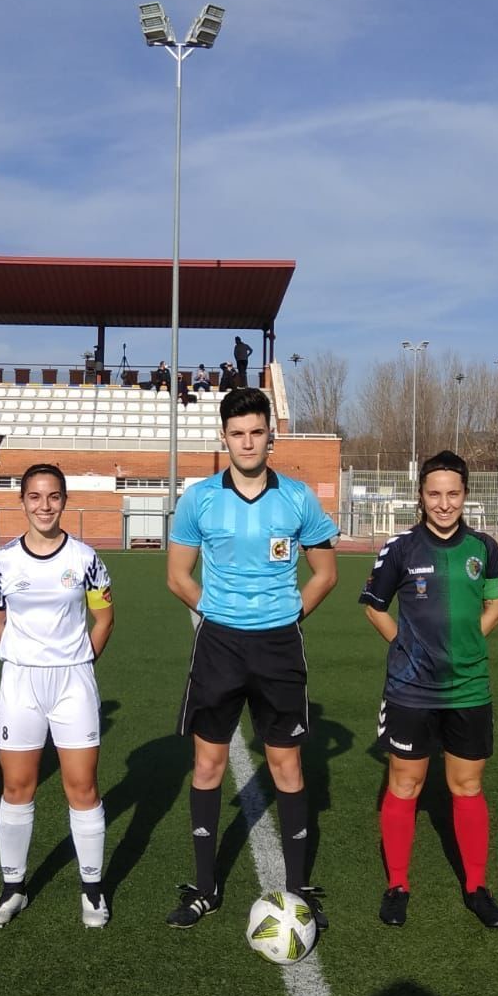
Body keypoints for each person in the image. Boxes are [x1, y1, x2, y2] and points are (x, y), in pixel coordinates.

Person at [166, 386, 340, 928]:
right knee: (209, 763)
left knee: (285, 765)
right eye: (237, 433)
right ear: (224, 437)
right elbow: (176, 576)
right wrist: (219, 611)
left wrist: (288, 616)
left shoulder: (296, 497)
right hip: (218, 645)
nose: (247, 442)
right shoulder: (198, 499)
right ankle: (204, 887)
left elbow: (326, 573)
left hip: (278, 647)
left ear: (271, 435)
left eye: (256, 432)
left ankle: (295, 891)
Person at [359, 450, 498, 929]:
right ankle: (397, 885)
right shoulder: (400, 548)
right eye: (434, 494)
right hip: (411, 689)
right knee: (406, 784)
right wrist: (408, 647)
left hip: (469, 688)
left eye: (453, 494)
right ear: (420, 497)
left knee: (467, 786)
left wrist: (465, 645)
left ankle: (476, 887)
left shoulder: (485, 548)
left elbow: (495, 604)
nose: (444, 504)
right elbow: (375, 607)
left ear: (465, 496)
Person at [0, 464, 116, 928]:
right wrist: (24, 656)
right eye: (34, 496)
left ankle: (92, 892)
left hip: (73, 682)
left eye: (53, 496)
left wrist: (78, 662)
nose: (44, 505)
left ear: (64, 500)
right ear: (22, 501)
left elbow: (104, 619)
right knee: (17, 788)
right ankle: (12, 889)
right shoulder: (1, 561)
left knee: (82, 788)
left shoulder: (85, 558)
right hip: (20, 683)